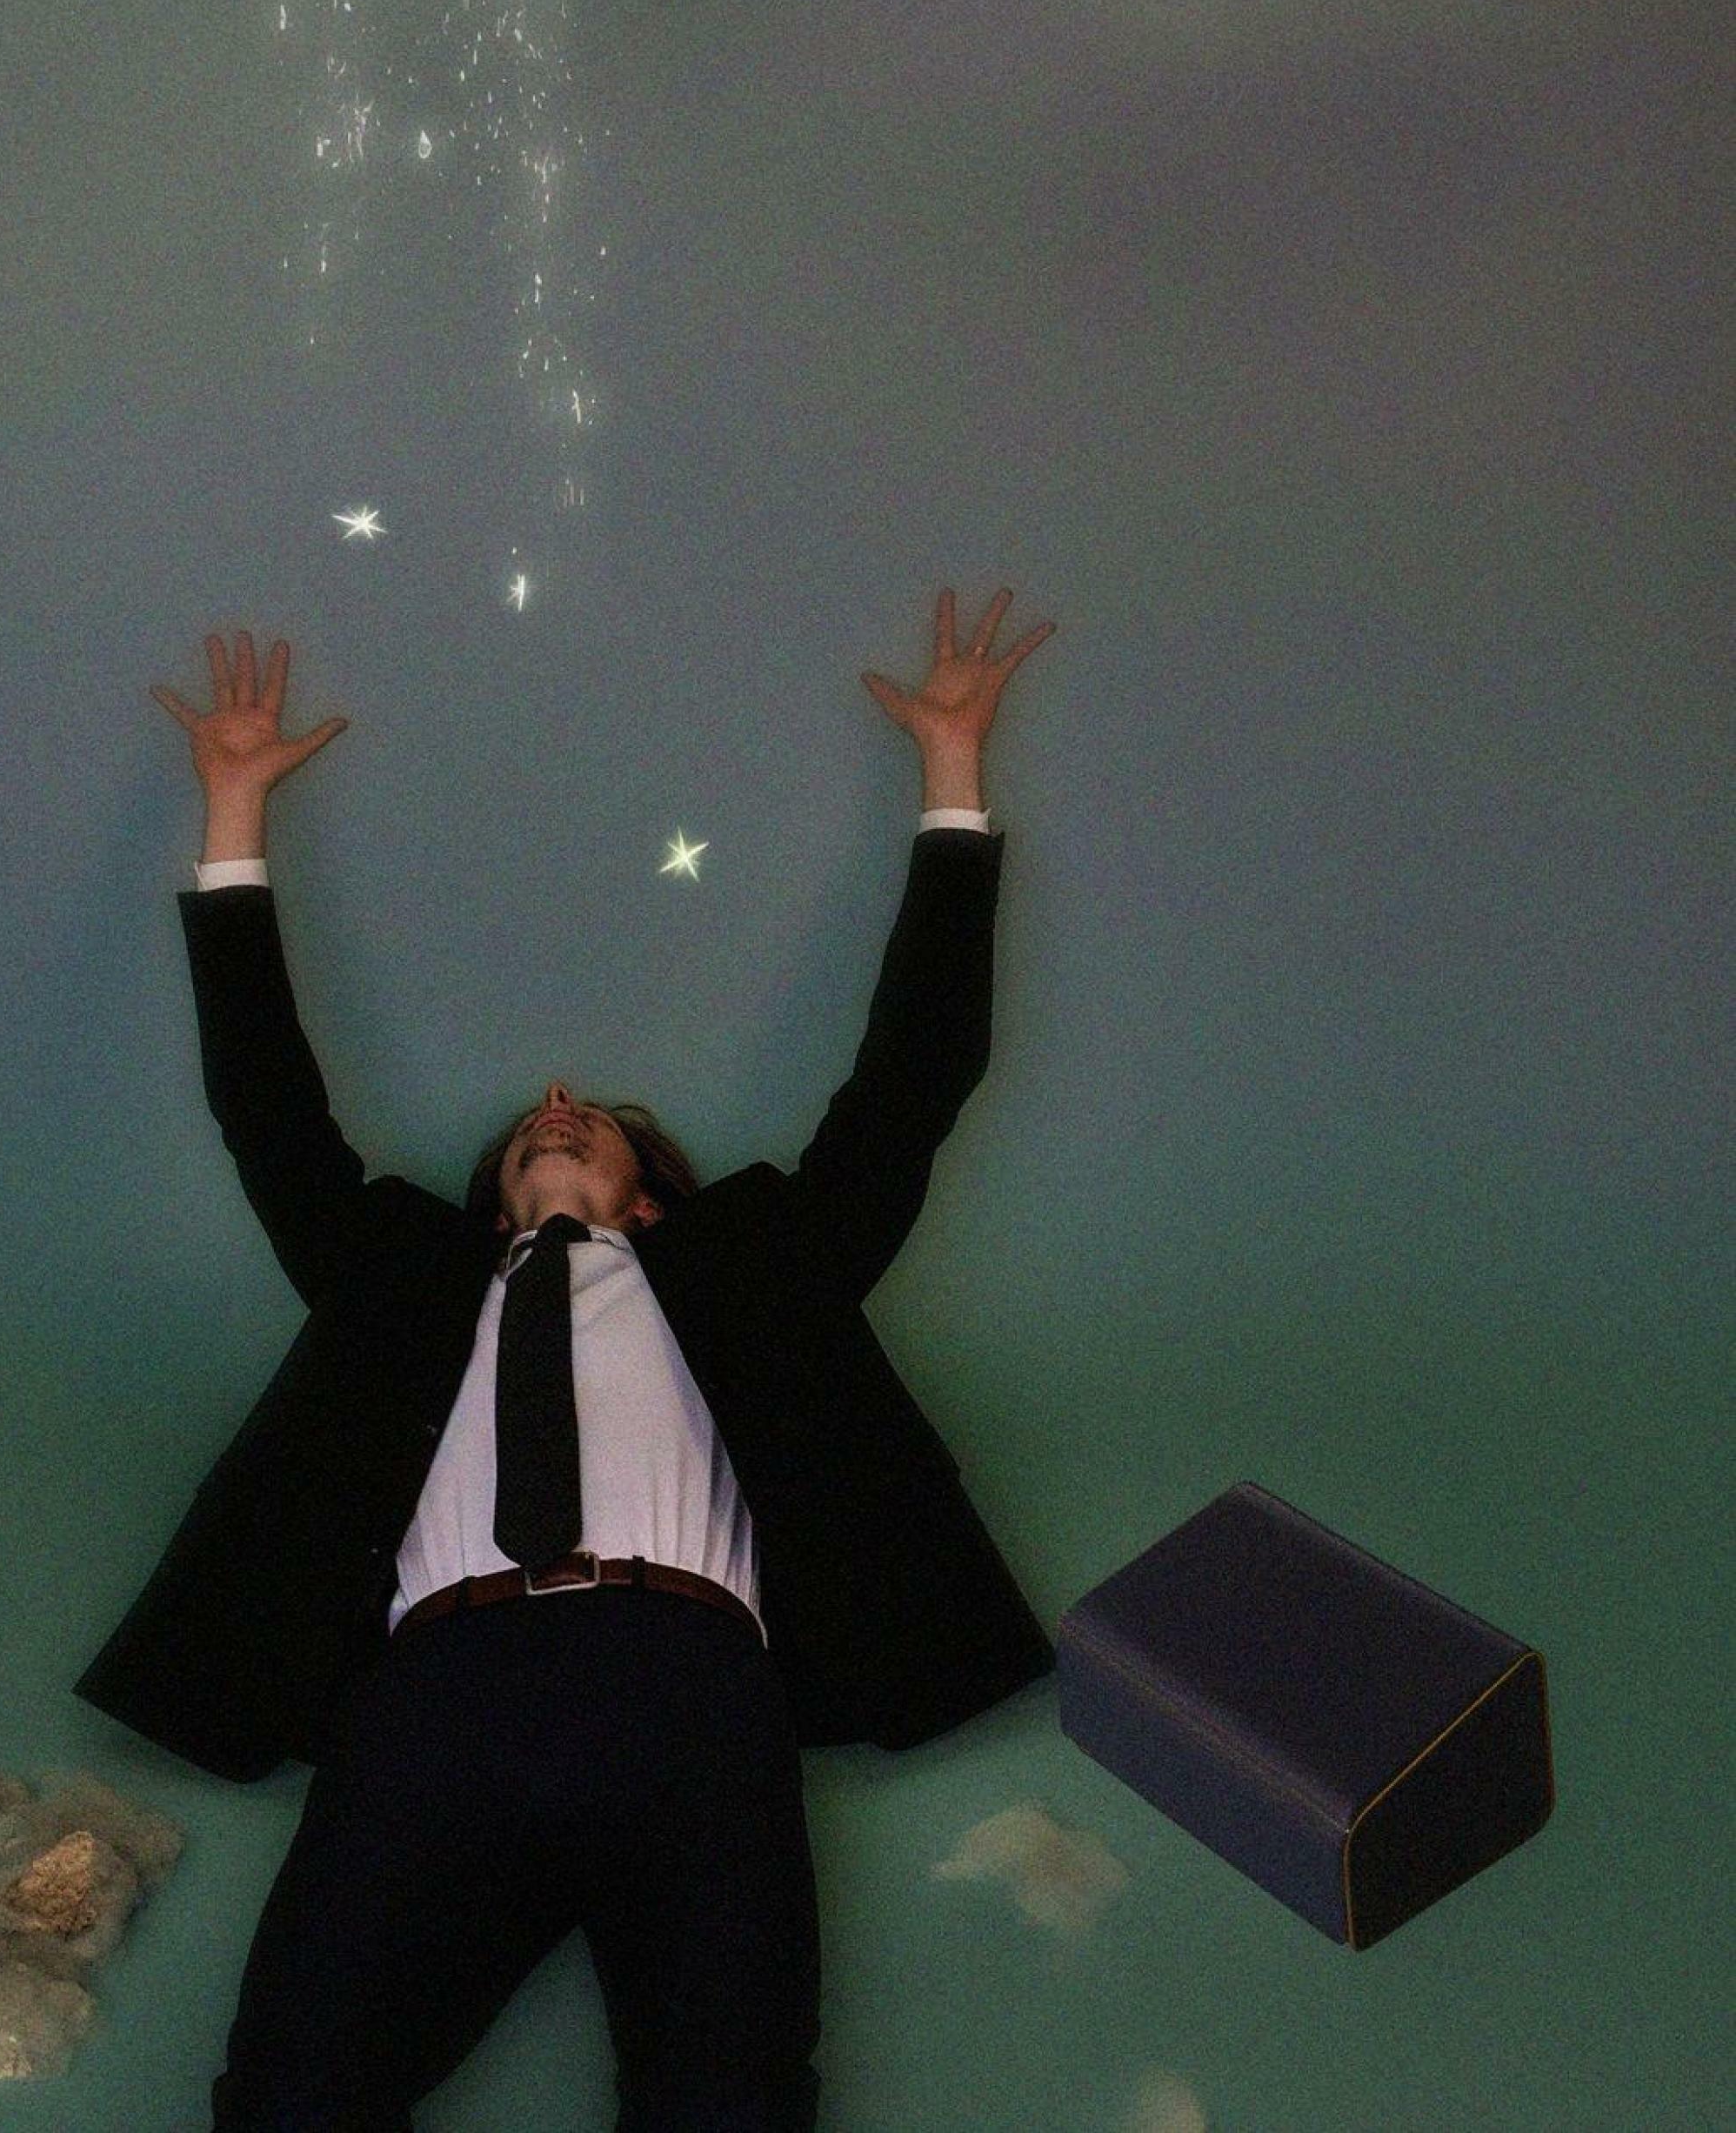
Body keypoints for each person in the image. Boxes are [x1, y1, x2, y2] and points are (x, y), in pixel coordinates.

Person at [77, 590, 1057, 2131]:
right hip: (434, 1698)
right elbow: (267, 1110)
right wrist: (234, 810)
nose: (552, 1101)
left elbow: (913, 1080)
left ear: (647, 1193)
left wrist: (952, 774)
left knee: (731, 2104)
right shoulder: (400, 1281)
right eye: (532, 1122)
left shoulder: (757, 1268)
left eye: (588, 1117)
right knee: (290, 2097)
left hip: (695, 1696)